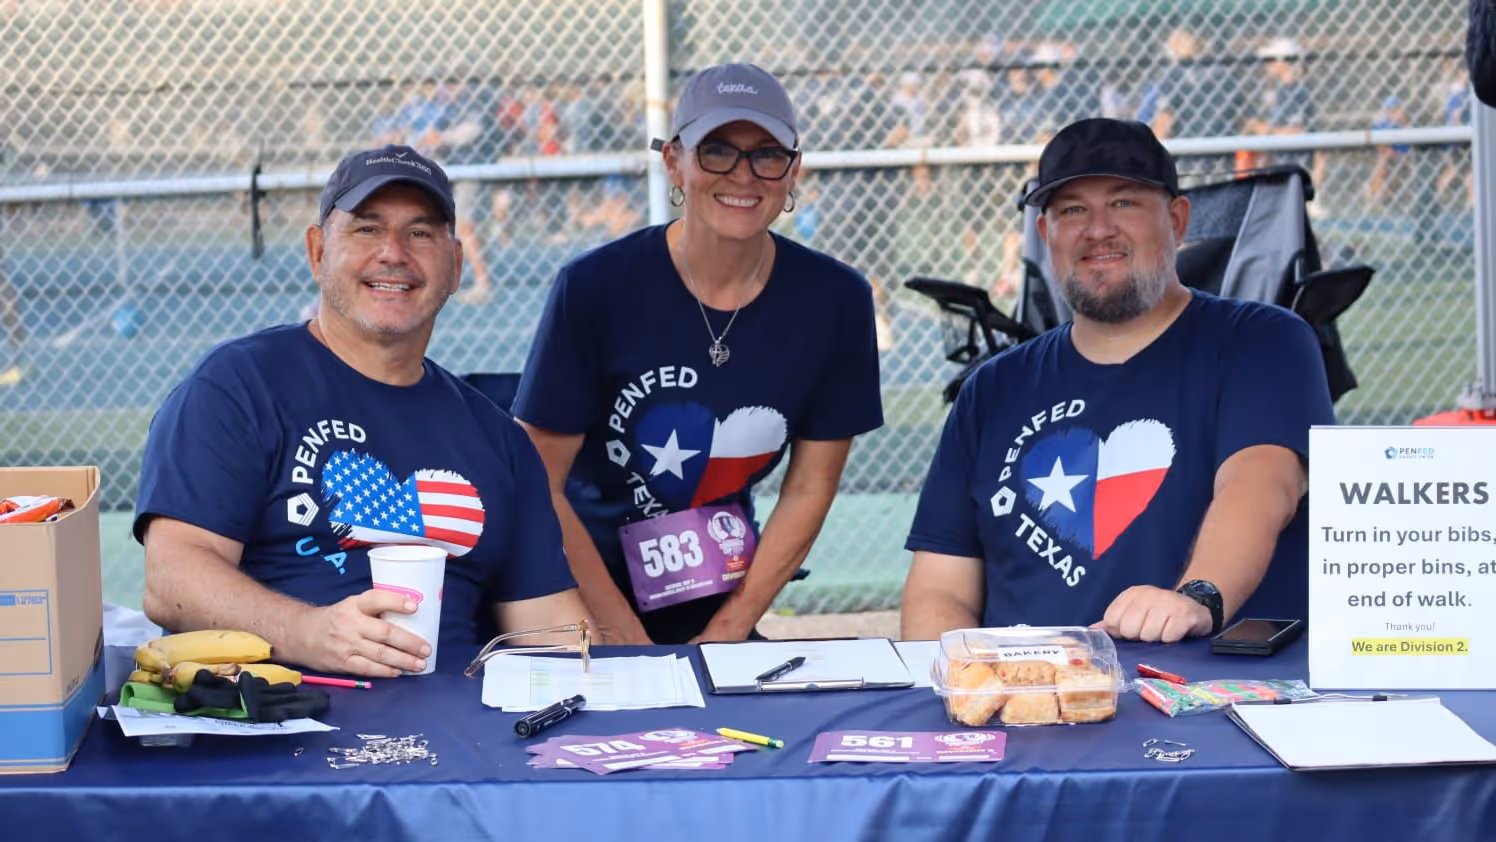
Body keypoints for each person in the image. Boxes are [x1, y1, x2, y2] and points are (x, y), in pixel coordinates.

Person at [135, 145, 587, 677]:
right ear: (317, 251)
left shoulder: (497, 437)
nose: (393, 252)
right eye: (367, 229)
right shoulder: (239, 385)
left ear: (456, 265)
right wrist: (308, 633)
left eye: (420, 233)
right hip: (276, 724)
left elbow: (551, 625)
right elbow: (172, 580)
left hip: (457, 735)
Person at [901, 118, 1334, 643]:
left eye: (1124, 203)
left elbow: (1263, 486)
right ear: (1045, 234)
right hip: (1029, 698)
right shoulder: (993, 388)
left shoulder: (1261, 341)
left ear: (1177, 220)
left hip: (1200, 696)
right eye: (1072, 210)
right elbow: (940, 586)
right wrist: (956, 678)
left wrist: (1198, 598)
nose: (1097, 228)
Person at [513, 64, 883, 645]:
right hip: (574, 591)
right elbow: (537, 482)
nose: (743, 174)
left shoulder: (835, 300)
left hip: (712, 597)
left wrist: (728, 632)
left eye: (766, 155)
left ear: (793, 173)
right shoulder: (594, 287)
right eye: (716, 151)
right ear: (674, 163)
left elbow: (810, 487)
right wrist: (623, 636)